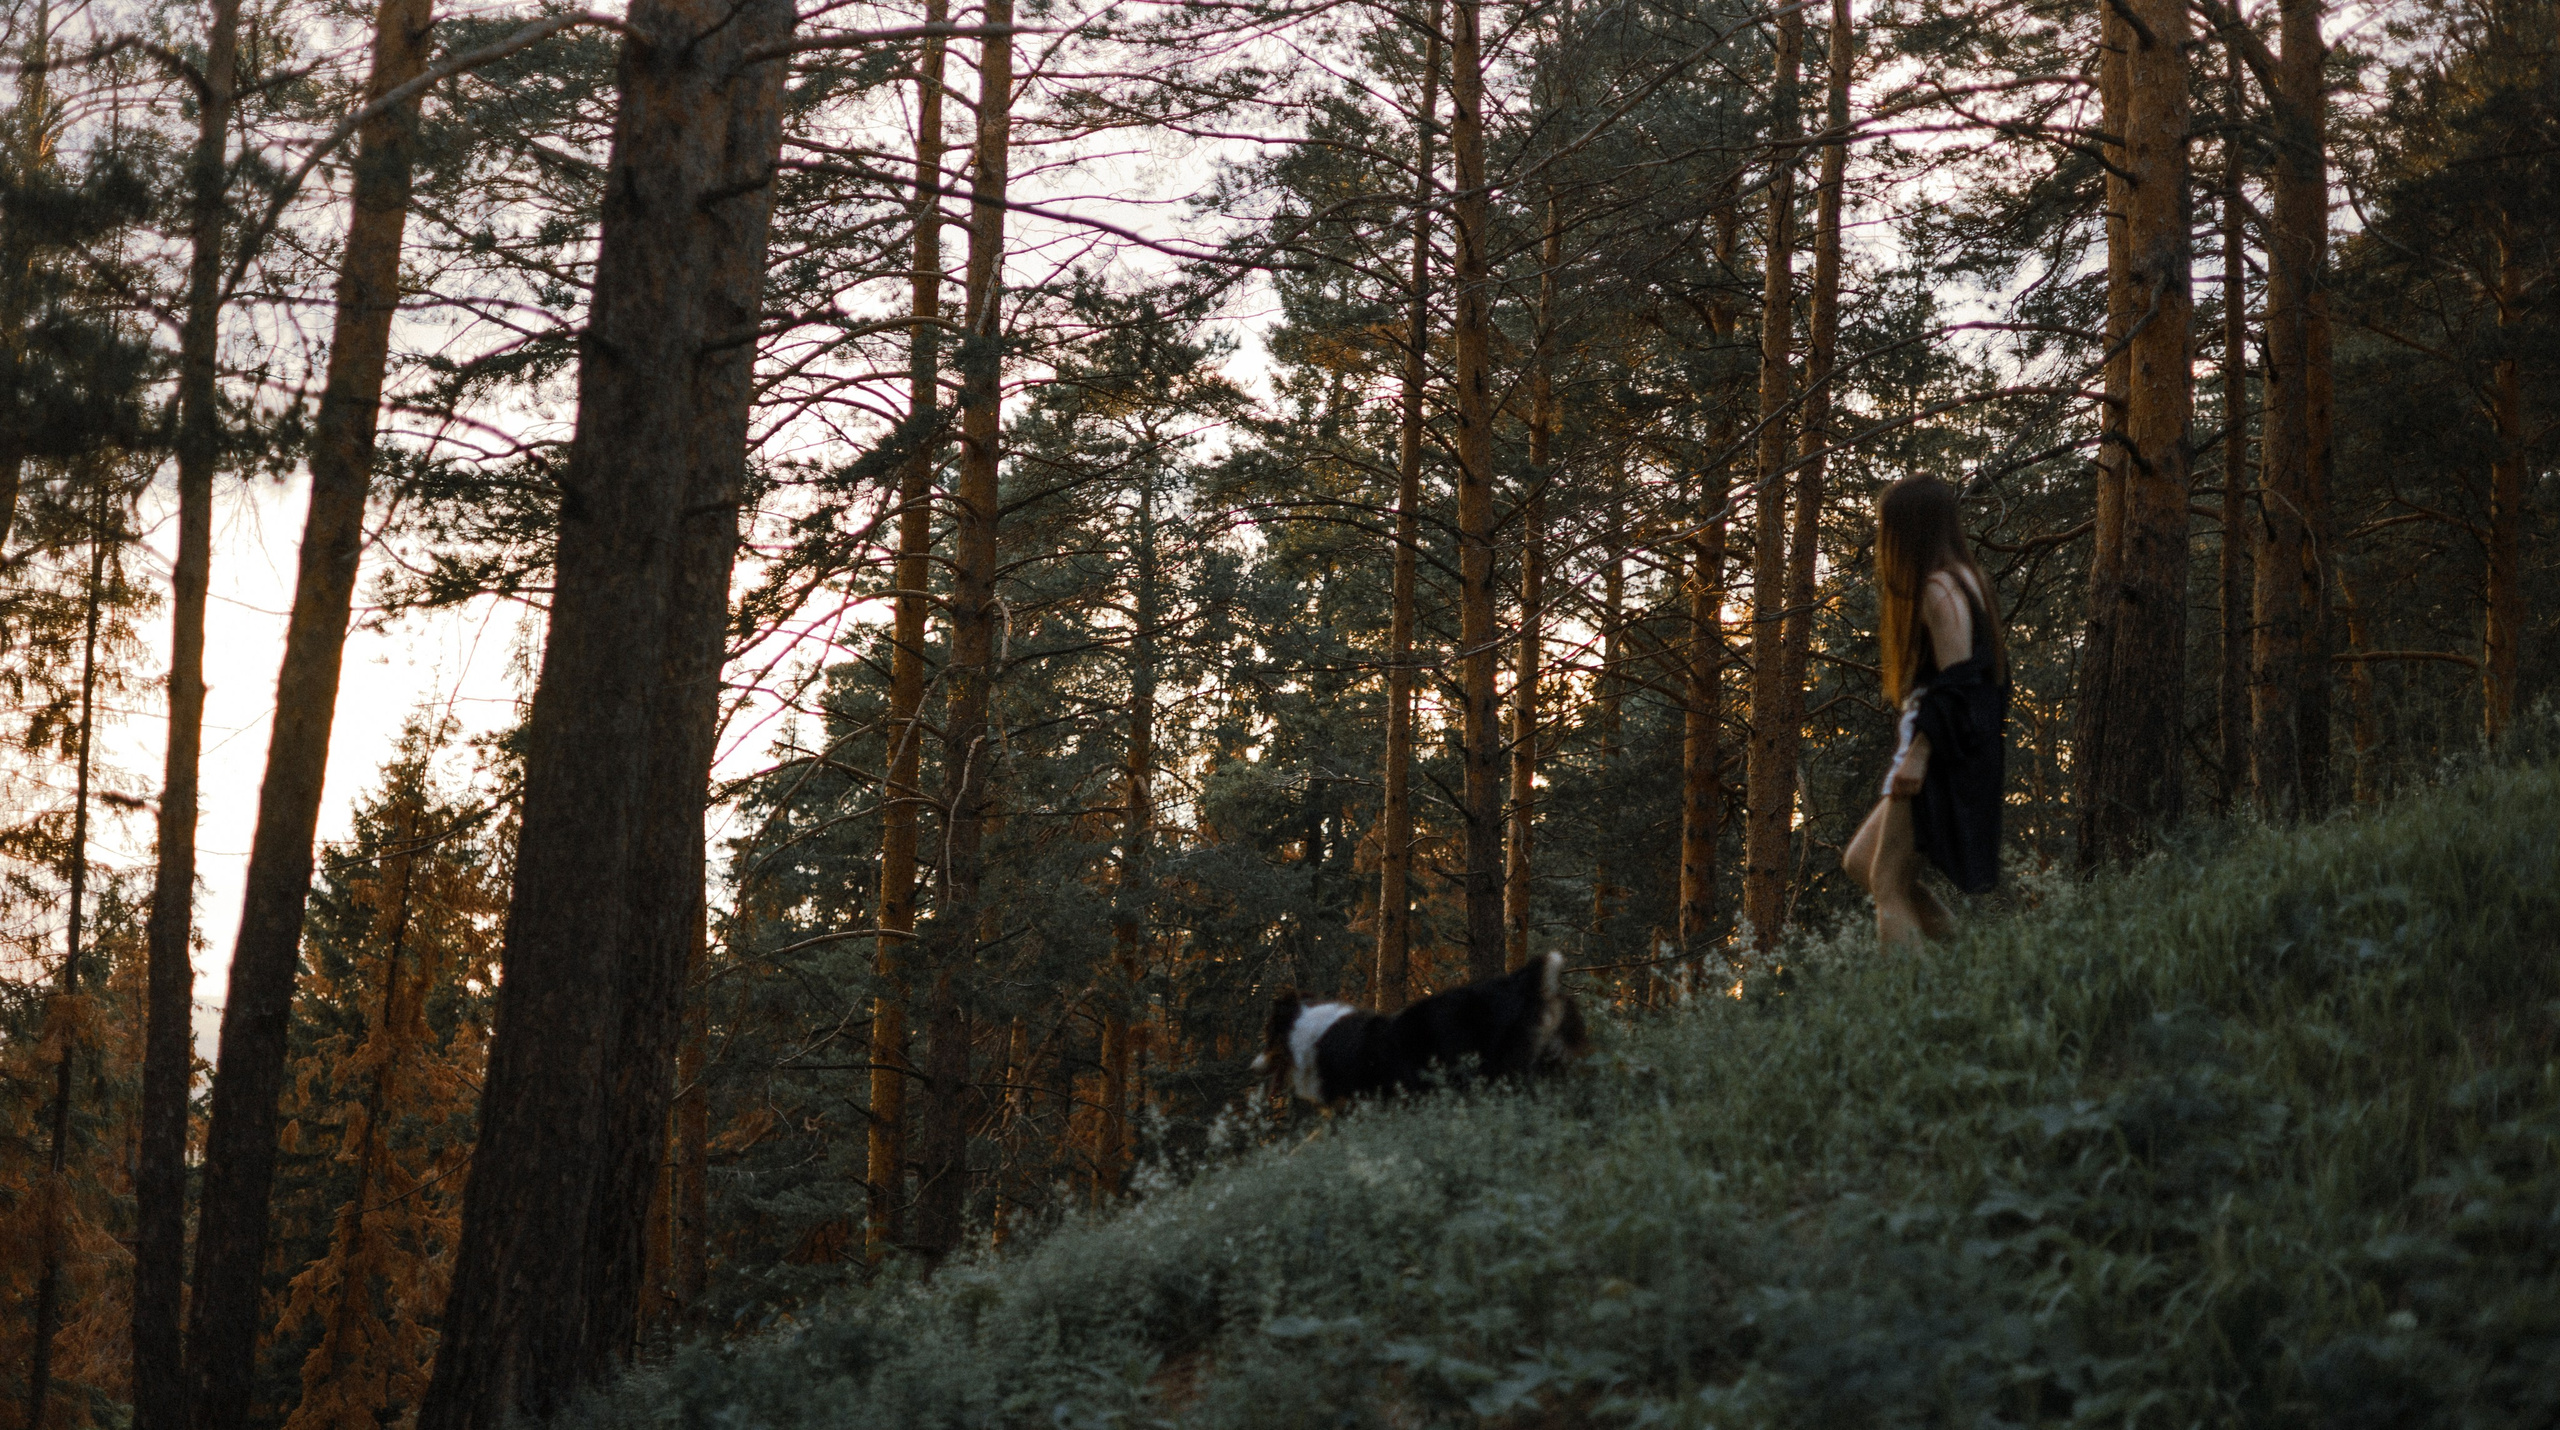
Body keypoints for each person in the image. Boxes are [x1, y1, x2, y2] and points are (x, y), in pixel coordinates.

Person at [1841, 474, 2010, 950]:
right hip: (1947, 747)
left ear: (1908, 529)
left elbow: (1961, 685)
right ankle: (1970, 960)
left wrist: (1918, 755)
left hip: (1941, 751)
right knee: (1861, 862)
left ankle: (1906, 1008)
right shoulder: (1964, 578)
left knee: (1888, 882)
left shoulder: (1939, 588)